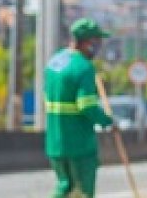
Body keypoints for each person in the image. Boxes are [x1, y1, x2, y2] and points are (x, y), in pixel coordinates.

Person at [44, 18, 115, 198]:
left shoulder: (54, 63)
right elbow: (87, 105)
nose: (99, 46)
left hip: (55, 143)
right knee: (82, 192)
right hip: (79, 144)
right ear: (86, 42)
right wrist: (106, 121)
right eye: (97, 41)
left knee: (64, 186)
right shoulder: (83, 67)